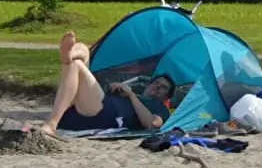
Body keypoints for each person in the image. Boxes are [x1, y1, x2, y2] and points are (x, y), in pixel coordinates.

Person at [38, 31, 173, 137]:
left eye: (163, 87)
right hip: (90, 105)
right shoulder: (134, 95)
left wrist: (131, 95)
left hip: (104, 113)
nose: (157, 86)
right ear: (148, 84)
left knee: (77, 64)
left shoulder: (161, 109)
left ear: (166, 97)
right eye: (156, 83)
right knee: (83, 50)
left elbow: (151, 124)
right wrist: (115, 89)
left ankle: (51, 123)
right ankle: (69, 56)